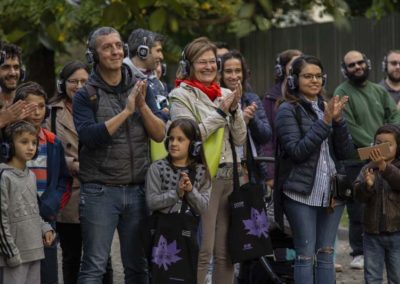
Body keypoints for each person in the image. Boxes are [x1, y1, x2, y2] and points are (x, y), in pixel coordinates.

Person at [73, 27, 165, 284]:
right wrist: (126, 112)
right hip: (99, 191)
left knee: (138, 267)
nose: (115, 51)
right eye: (107, 47)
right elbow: (89, 138)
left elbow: (159, 135)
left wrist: (143, 106)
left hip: (138, 189)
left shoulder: (144, 86)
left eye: (118, 45)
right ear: (94, 56)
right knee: (94, 267)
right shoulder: (85, 94)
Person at [169, 37, 247, 284]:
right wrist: (221, 111)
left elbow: (239, 138)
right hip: (202, 178)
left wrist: (234, 110)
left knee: (227, 251)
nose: (208, 67)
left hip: (229, 176)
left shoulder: (225, 92)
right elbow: (188, 137)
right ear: (189, 65)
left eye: (212, 61)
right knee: (204, 249)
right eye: (201, 62)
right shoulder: (180, 95)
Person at [274, 55, 354, 284]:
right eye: (308, 76)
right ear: (294, 80)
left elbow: (346, 152)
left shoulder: (327, 107)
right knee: (305, 254)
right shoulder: (287, 110)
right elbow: (298, 151)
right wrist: (326, 121)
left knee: (326, 254)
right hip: (301, 193)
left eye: (318, 76)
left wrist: (338, 121)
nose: (314, 80)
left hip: (332, 194)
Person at [45, 61, 113, 284]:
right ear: (62, 84)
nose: (79, 85)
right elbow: (43, 149)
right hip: (68, 193)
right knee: (71, 256)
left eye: (84, 81)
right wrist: (69, 163)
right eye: (73, 81)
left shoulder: (101, 107)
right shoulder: (51, 113)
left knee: (102, 257)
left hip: (99, 189)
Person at [334, 50, 400, 269]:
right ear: (345, 69)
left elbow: (394, 117)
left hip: (387, 158)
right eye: (351, 65)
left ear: (368, 63)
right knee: (358, 207)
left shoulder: (379, 91)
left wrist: (389, 143)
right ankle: (358, 252)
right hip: (357, 159)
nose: (357, 67)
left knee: (388, 200)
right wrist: (377, 147)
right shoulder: (341, 91)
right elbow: (350, 127)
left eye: (360, 62)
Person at [13, 81, 71, 284]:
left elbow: (63, 178)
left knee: (48, 272)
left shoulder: (52, 141)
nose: (37, 112)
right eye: (31, 106)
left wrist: (52, 204)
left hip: (46, 215)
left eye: (41, 106)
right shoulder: (8, 142)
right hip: (16, 218)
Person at [145, 118, 212, 281]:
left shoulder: (202, 172)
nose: (174, 143)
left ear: (194, 145)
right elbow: (152, 201)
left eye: (180, 139)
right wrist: (176, 193)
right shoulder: (157, 168)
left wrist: (190, 191)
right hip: (162, 237)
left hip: (189, 239)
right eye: (171, 139)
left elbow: (203, 207)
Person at [0, 121, 55, 284]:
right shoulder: (4, 177)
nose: (31, 147)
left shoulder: (31, 176)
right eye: (24, 142)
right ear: (9, 146)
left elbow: (32, 210)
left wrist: (45, 228)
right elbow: (1, 222)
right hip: (14, 255)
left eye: (34, 143)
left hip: (34, 251)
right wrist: (11, 253)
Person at [353, 124, 400, 284]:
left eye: (388, 144)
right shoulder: (367, 169)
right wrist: (368, 186)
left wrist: (384, 167)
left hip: (397, 232)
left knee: (397, 276)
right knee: (372, 277)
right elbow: (358, 196)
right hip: (372, 233)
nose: (382, 148)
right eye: (378, 143)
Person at [220, 50, 271, 183]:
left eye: (238, 71)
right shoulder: (215, 99)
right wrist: (239, 120)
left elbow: (266, 135)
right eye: (228, 71)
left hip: (251, 168)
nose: (234, 76)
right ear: (220, 74)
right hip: (224, 168)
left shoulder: (251, 98)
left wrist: (252, 119)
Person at [262, 49, 302, 190]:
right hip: (282, 168)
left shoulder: (308, 94)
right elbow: (267, 139)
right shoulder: (270, 98)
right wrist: (270, 174)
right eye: (293, 64)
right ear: (281, 70)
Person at [124, 28, 169, 118]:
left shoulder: (156, 81)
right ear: (143, 51)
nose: (161, 56)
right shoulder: (123, 77)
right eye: (158, 51)